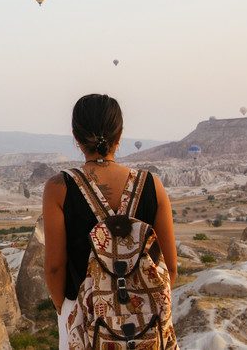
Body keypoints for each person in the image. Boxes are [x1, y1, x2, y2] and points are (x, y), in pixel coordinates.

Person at [43, 94, 177, 349]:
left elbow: (55, 268)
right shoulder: (153, 186)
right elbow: (170, 267)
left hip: (84, 317)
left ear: (75, 136)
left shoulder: (59, 188)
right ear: (120, 133)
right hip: (146, 323)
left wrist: (67, 311)